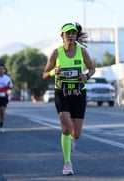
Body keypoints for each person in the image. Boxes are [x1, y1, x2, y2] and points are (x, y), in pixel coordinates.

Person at [42, 22, 95, 175]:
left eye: (73, 33)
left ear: (76, 35)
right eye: (67, 33)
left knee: (76, 133)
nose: (71, 35)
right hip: (62, 93)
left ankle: (71, 139)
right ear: (62, 36)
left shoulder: (82, 51)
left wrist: (87, 76)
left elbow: (92, 68)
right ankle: (67, 164)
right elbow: (44, 74)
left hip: (78, 93)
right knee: (65, 126)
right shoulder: (56, 53)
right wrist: (54, 72)